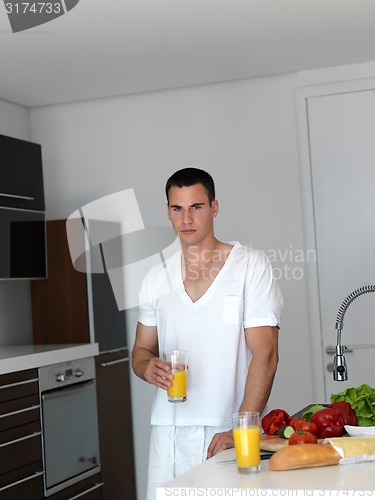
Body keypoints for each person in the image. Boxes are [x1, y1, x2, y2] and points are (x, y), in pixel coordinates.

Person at [131, 167, 283, 500]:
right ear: (168, 212)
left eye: (196, 207)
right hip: (167, 433)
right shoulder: (156, 278)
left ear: (214, 208)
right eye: (177, 208)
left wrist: (242, 430)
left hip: (223, 430)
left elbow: (266, 354)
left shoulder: (250, 267)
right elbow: (141, 349)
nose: (186, 218)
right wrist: (146, 367)